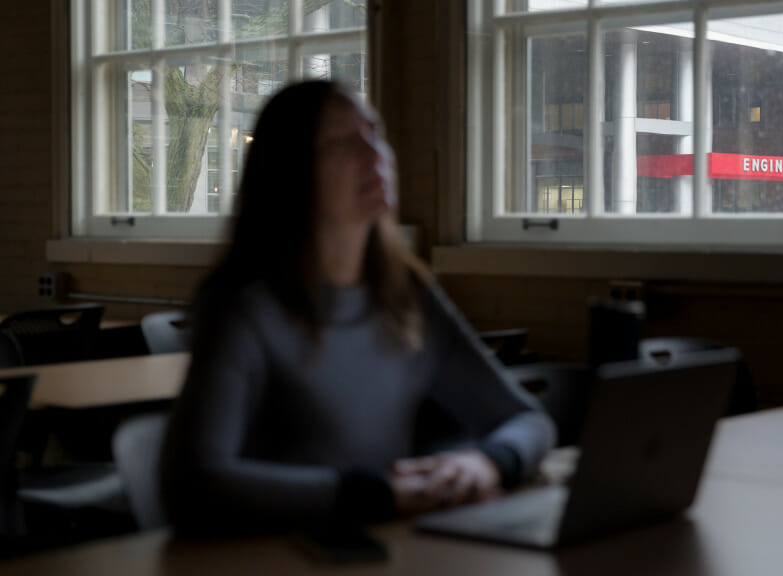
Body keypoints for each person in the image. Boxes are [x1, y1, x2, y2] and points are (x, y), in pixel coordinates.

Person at [159, 81, 556, 535]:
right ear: (293, 171)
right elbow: (191, 486)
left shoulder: (406, 293)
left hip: (385, 551)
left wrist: (488, 462)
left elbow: (528, 419)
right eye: (344, 141)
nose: (375, 154)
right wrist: (376, 494)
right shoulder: (242, 306)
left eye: (375, 132)